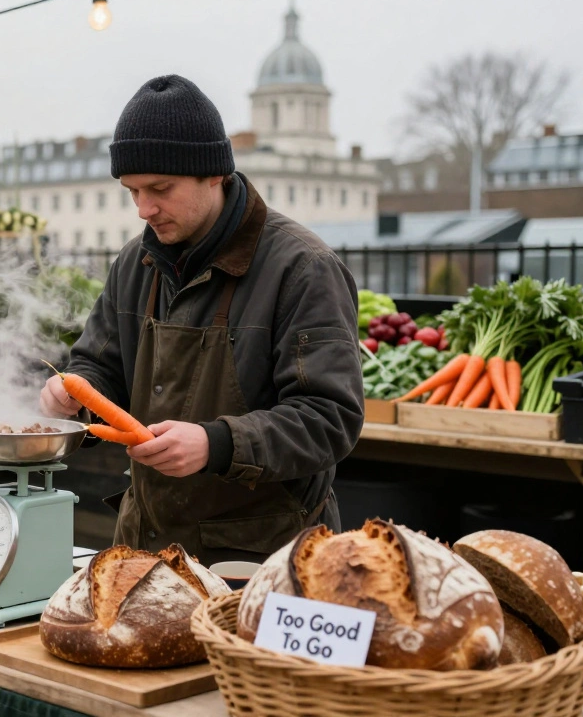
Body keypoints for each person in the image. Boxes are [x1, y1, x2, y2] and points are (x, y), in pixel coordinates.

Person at [39, 75, 363, 565]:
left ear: (214, 174)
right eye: (132, 191)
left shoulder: (302, 269)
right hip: (142, 547)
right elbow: (98, 366)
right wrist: (75, 391)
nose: (144, 209)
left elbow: (330, 419)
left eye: (160, 189)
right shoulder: (135, 264)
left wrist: (217, 444)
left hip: (261, 563)